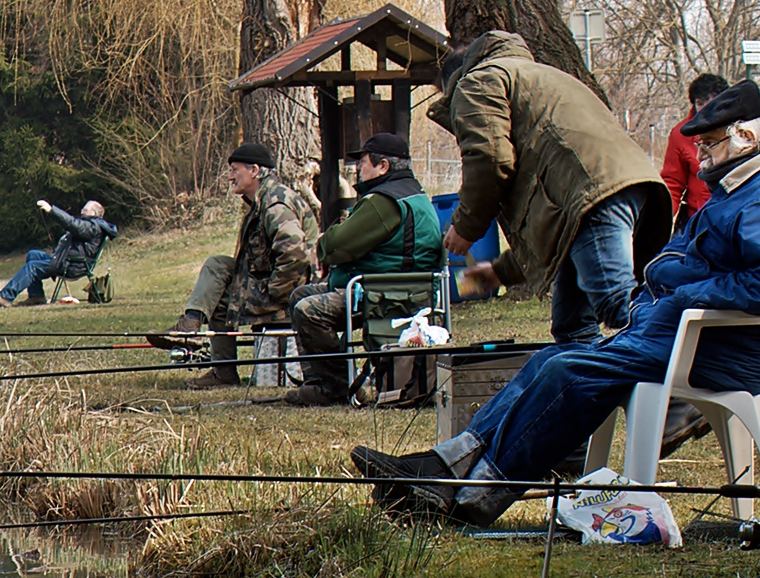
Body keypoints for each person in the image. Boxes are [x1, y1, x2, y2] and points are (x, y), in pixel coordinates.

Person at [351, 81, 760, 527]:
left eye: (709, 145)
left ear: (744, 138)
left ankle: (477, 496)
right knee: (554, 357)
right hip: (677, 335)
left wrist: (684, 294)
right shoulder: (746, 185)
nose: (700, 157)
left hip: (717, 348)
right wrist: (667, 282)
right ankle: (443, 467)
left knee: (570, 372)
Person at [434, 32, 672, 345]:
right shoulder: (542, 76)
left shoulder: (477, 82)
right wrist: (499, 273)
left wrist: (465, 226)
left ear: (453, 81)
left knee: (617, 305)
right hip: (625, 185)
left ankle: (699, 346)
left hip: (591, 194)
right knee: (572, 326)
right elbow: (549, 226)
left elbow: (490, 161)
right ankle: (594, 389)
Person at [283, 132, 445, 406]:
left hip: (382, 294)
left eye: (364, 163)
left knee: (307, 310)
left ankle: (337, 386)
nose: (358, 169)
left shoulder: (384, 201)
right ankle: (317, 381)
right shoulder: (414, 194)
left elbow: (338, 243)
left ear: (383, 166)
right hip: (401, 288)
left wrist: (322, 244)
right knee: (300, 294)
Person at [148, 142, 318, 388]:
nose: (230, 177)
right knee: (219, 271)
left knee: (219, 274)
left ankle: (191, 328)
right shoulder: (262, 201)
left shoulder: (275, 205)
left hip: (289, 294)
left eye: (234, 170)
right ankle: (210, 352)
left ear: (255, 170)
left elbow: (295, 255)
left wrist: (276, 291)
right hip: (273, 285)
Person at [0, 200, 117, 306]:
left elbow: (72, 223)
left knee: (33, 266)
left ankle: (5, 297)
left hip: (72, 266)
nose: (82, 211)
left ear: (94, 213)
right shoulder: (91, 225)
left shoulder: (92, 227)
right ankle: (36, 297)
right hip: (66, 260)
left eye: (85, 209)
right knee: (33, 254)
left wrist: (51, 210)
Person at [662, 73, 729, 233]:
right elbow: (672, 182)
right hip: (697, 219)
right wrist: (659, 220)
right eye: (700, 103)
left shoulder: (738, 130)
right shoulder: (681, 133)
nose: (706, 109)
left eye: (711, 102)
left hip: (730, 216)